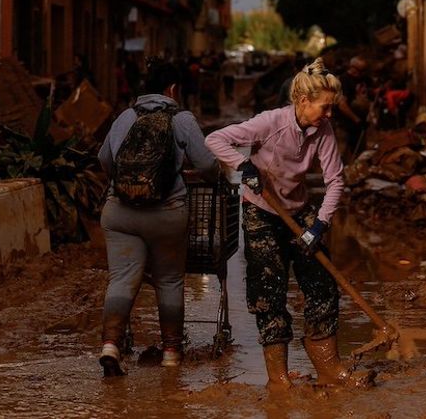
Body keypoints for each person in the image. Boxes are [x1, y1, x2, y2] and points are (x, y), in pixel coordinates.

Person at [204, 58, 365, 390]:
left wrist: (319, 225)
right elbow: (215, 139)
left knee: (321, 285)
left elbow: (335, 180)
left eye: (332, 108)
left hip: (300, 210)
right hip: (261, 213)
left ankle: (329, 368)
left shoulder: (323, 130)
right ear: (303, 102)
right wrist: (244, 165)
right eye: (325, 107)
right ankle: (278, 378)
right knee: (269, 293)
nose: (330, 114)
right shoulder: (269, 123)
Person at [96, 59, 218, 376]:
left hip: (120, 212)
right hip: (167, 215)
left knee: (121, 279)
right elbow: (206, 165)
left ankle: (110, 345)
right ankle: (171, 354)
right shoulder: (182, 119)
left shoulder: (125, 117)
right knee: (169, 280)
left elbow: (105, 161)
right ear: (173, 89)